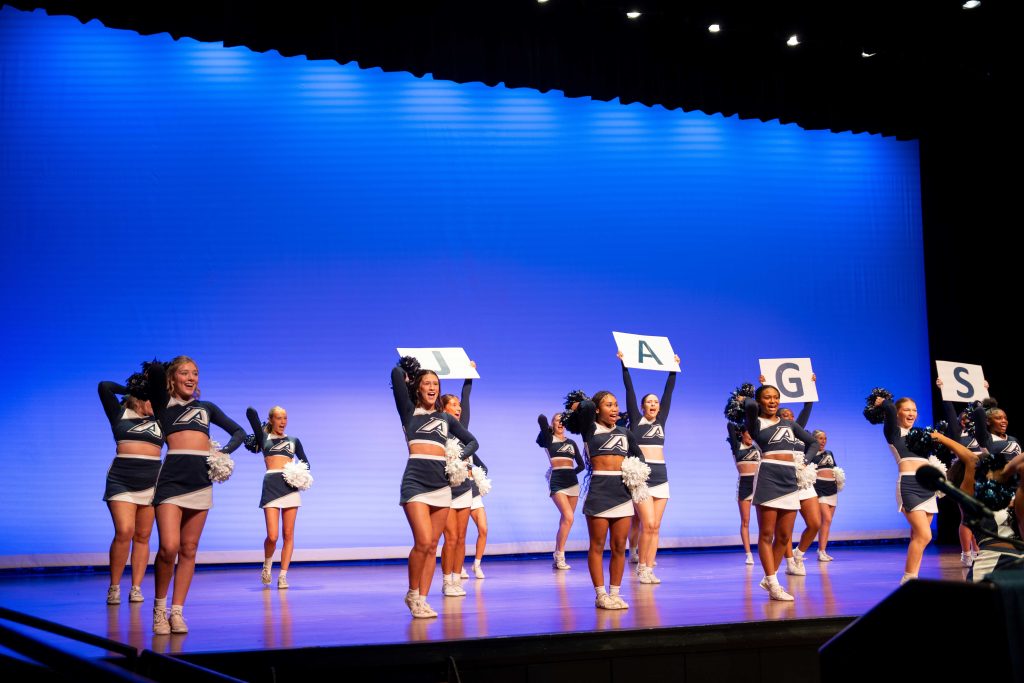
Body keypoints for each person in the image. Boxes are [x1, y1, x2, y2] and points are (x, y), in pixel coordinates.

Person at [146, 356, 246, 634]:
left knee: (189, 549)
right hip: (171, 481)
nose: (191, 378)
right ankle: (159, 609)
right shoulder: (163, 404)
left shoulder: (207, 408)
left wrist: (222, 453)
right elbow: (154, 372)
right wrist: (163, 373)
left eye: (196, 373)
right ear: (172, 378)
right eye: (184, 373)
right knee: (168, 547)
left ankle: (177, 612)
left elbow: (238, 431)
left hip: (201, 481)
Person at [391, 357, 478, 618]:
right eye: (427, 383)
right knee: (422, 541)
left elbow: (473, 442)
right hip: (415, 482)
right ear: (418, 387)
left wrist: (457, 457)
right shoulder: (408, 411)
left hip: (441, 486)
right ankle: (412, 591)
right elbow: (396, 373)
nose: (432, 387)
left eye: (436, 383)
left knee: (432, 546)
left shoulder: (446, 419)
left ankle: (421, 599)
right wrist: (409, 373)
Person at [566, 391, 647, 610]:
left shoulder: (625, 432)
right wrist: (582, 405)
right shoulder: (589, 429)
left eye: (616, 405)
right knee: (598, 545)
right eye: (608, 405)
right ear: (598, 409)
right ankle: (600, 595)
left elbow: (639, 457)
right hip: (599, 491)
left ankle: (615, 593)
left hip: (622, 493)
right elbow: (586, 409)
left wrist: (634, 471)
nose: (614, 409)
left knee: (620, 546)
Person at [745, 385, 819, 601]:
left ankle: (770, 578)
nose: (773, 401)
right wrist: (753, 394)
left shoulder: (789, 424)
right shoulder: (756, 423)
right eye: (767, 398)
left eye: (776, 397)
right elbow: (749, 406)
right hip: (768, 476)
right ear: (760, 401)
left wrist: (805, 461)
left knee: (785, 535)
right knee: (767, 534)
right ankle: (774, 583)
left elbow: (812, 442)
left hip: (789, 479)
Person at [98, 369, 164, 605]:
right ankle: (114, 586)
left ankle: (136, 587)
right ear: (139, 397)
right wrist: (134, 388)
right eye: (148, 398)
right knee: (124, 531)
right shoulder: (119, 413)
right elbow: (104, 386)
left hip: (151, 483)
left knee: (143, 536)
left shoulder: (161, 419)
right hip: (121, 480)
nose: (153, 403)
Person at [618, 353, 679, 584]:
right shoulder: (636, 420)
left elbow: (669, 393)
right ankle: (641, 567)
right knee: (648, 524)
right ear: (642, 407)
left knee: (656, 527)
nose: (653, 404)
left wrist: (673, 368)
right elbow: (629, 391)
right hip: (642, 477)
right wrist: (624, 364)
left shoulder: (661, 421)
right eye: (649, 402)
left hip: (662, 476)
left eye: (656, 402)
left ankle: (648, 568)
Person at [871, 392, 934, 584]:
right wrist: (884, 403)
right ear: (897, 413)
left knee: (918, 537)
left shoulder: (923, 434)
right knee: (925, 535)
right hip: (909, 485)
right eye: (906, 409)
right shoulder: (893, 432)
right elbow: (889, 409)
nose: (912, 413)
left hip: (928, 488)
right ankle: (907, 579)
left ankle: (913, 577)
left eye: (914, 410)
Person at [245, 406, 310, 590]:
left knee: (288, 535)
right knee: (272, 536)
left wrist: (297, 473)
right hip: (271, 487)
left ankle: (283, 575)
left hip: (289, 487)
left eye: (285, 418)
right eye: (279, 418)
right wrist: (259, 421)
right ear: (271, 420)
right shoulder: (264, 438)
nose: (282, 422)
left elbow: (306, 463)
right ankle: (267, 565)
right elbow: (251, 414)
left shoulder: (294, 441)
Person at [937, 377, 986, 566]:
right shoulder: (957, 435)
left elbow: (984, 415)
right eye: (963, 418)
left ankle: (978, 550)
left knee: (980, 516)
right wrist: (944, 392)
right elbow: (950, 414)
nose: (967, 421)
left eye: (970, 418)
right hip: (963, 475)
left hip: (981, 475)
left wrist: (982, 394)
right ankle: (966, 553)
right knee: (967, 516)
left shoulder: (982, 435)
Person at [537, 413, 585, 570]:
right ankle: (560, 555)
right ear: (553, 424)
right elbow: (541, 419)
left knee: (566, 520)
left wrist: (570, 473)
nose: (561, 423)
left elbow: (581, 465)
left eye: (563, 421)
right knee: (569, 517)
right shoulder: (549, 439)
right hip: (557, 482)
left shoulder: (571, 442)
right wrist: (547, 426)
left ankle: (557, 552)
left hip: (572, 483)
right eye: (558, 420)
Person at [439, 378, 473, 596]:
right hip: (445, 489)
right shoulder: (438, 428)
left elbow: (468, 399)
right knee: (450, 538)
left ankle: (455, 578)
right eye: (454, 404)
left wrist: (468, 376)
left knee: (461, 537)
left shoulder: (462, 429)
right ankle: (446, 581)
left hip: (464, 488)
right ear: (443, 408)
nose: (459, 408)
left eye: (459, 405)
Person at [810, 430, 839, 561]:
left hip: (832, 489)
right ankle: (820, 550)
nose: (823, 441)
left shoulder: (830, 453)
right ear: (814, 440)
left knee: (827, 523)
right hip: (819, 489)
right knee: (826, 519)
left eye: (825, 438)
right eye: (820, 438)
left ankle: (822, 550)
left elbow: (836, 469)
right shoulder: (810, 454)